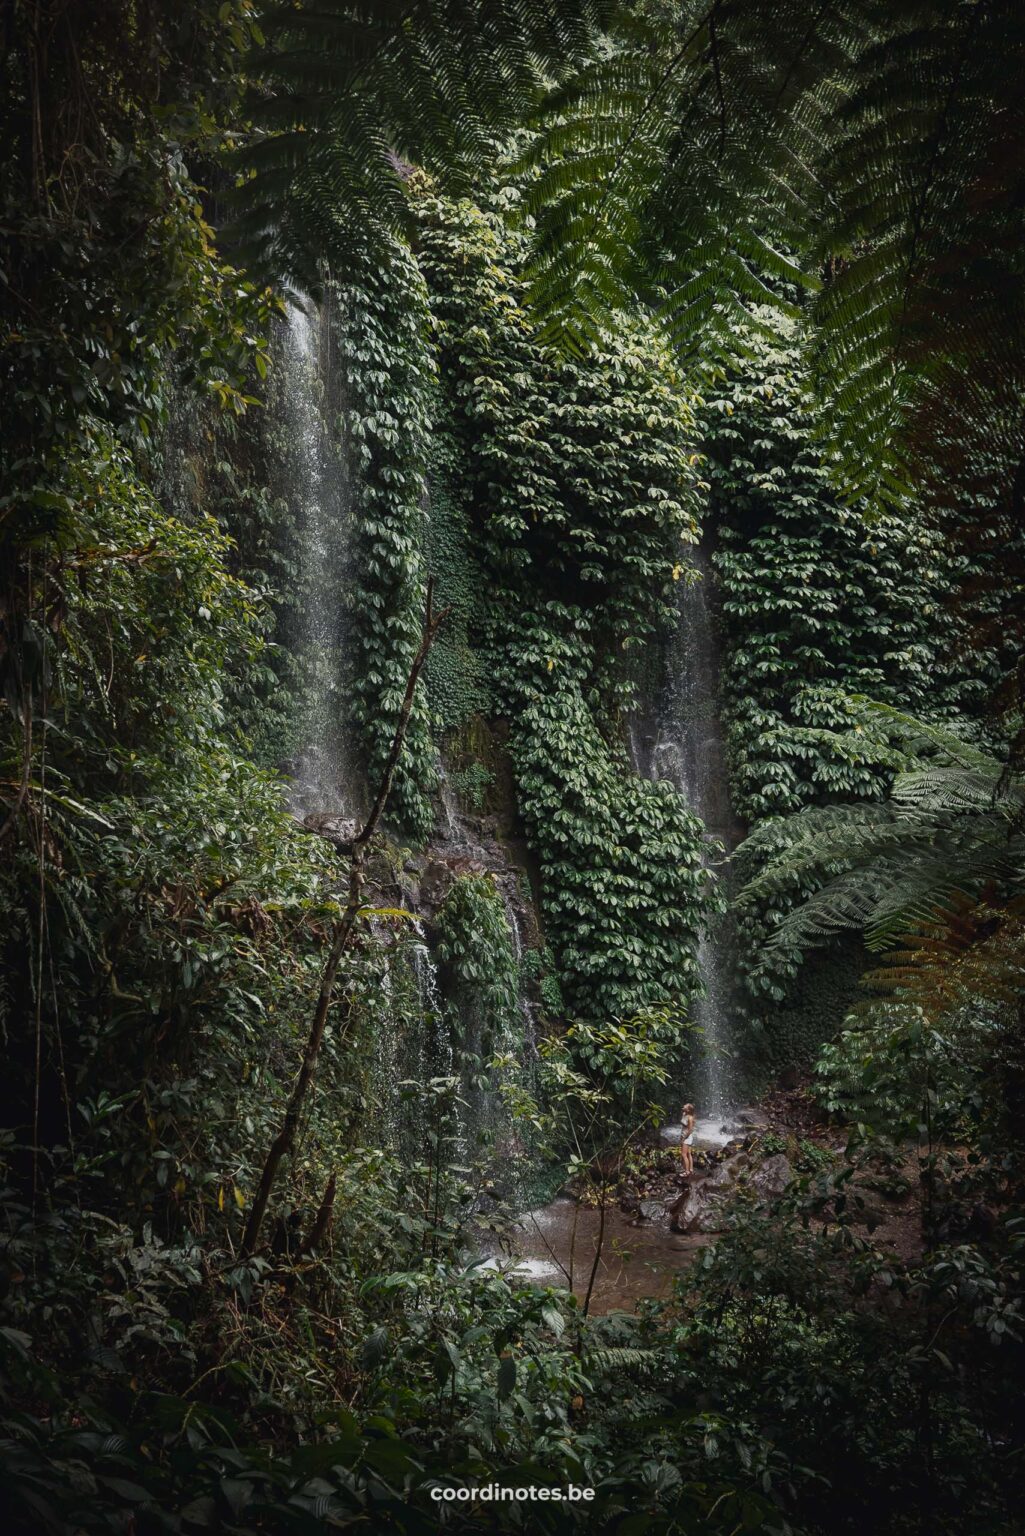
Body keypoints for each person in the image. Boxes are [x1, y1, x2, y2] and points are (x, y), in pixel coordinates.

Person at [679, 1101, 696, 1177]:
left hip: (687, 1137)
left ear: (688, 1110)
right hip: (683, 1135)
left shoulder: (690, 1118)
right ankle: (691, 1169)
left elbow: (690, 1130)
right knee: (688, 1153)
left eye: (686, 1105)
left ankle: (687, 1172)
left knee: (683, 1154)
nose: (684, 1105)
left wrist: (683, 1139)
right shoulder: (684, 1114)